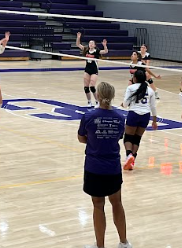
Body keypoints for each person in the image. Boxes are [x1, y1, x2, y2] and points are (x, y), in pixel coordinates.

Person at [77, 82, 131, 248]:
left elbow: (81, 138)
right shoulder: (120, 118)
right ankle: (124, 242)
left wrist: (94, 140)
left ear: (98, 96)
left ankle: (100, 245)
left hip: (94, 167)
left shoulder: (89, 116)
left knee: (98, 205)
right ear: (112, 97)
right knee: (117, 203)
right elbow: (118, 137)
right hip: (113, 167)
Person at [121, 69, 157, 171]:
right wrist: (154, 120)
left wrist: (122, 104)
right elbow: (153, 107)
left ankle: (129, 155)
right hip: (145, 116)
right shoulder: (150, 90)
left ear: (135, 78)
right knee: (137, 139)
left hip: (134, 114)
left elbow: (126, 103)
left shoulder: (131, 88)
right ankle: (132, 161)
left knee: (128, 138)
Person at [76, 33, 108, 107]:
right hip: (87, 70)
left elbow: (105, 51)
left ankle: (97, 101)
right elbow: (78, 44)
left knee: (92, 87)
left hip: (94, 70)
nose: (90, 44)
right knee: (86, 87)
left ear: (94, 45)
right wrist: (78, 37)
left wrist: (104, 45)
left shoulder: (97, 51)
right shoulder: (86, 49)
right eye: (89, 43)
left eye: (92, 43)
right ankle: (89, 101)